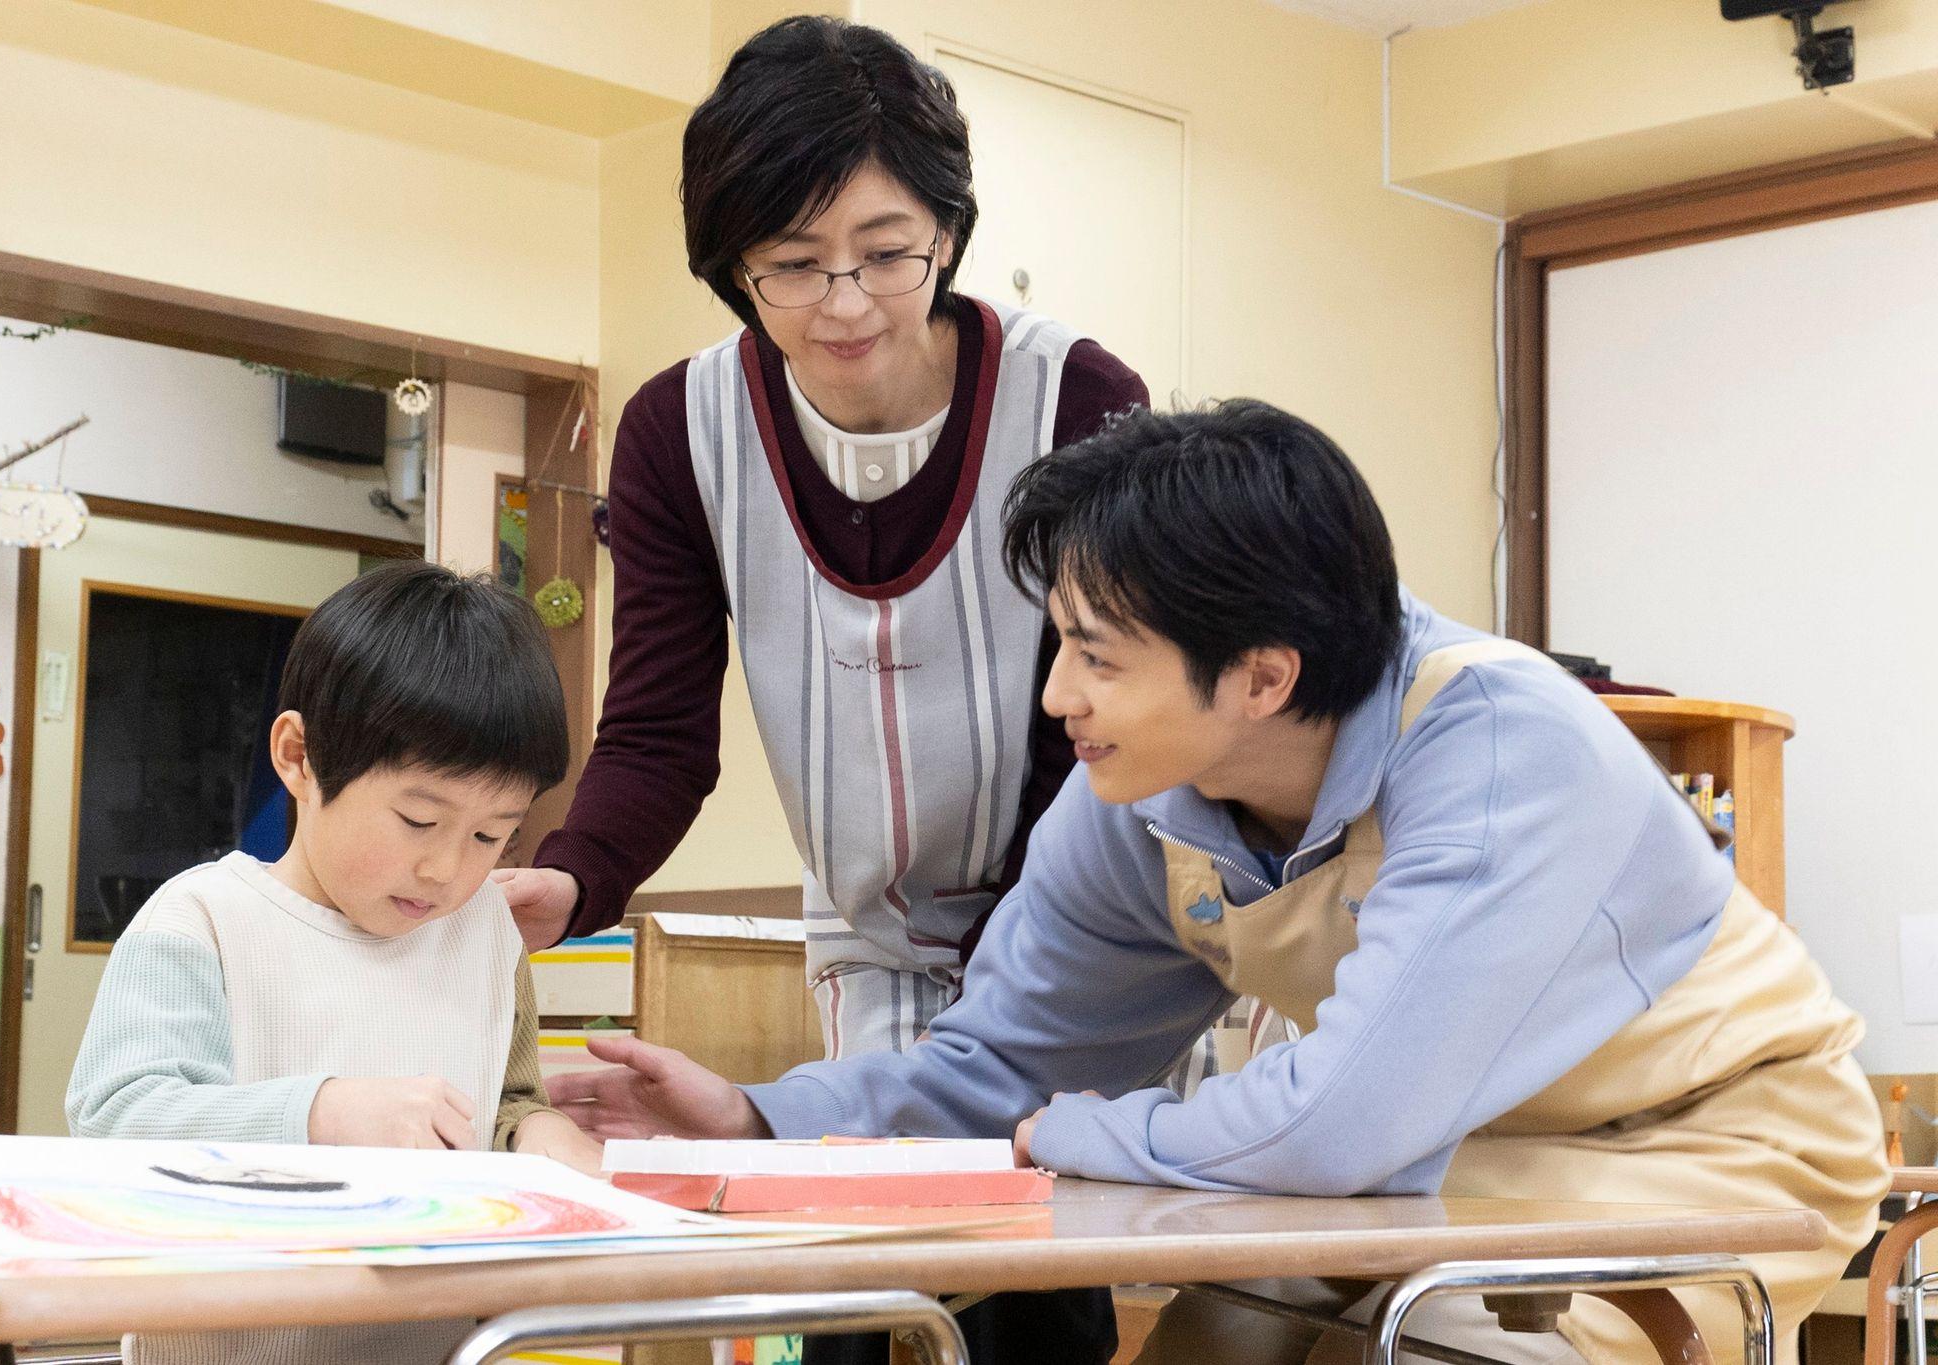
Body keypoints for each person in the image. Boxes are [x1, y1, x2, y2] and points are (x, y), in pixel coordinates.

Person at [555, 401, 1889, 1364]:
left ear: (1261, 676)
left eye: (1097, 655)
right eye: (1058, 644)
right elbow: (997, 1071)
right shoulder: (1134, 797)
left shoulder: (1500, 749)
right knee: (1220, 1338)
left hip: (1710, 1145)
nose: (1059, 696)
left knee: (1468, 1350)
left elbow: (1337, 1126)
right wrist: (751, 1117)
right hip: (1438, 1161)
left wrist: (1084, 1135)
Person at [493, 16, 1151, 1363]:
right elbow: (661, 730)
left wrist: (1033, 963)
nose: (844, 303)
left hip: (1074, 924)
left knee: (1038, 1294)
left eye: (885, 252)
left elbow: (1113, 721)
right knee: (847, 1298)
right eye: (792, 266)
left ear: (949, 233)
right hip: (867, 945)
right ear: (732, 266)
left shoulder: (1077, 398)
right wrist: (570, 881)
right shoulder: (682, 430)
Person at [68, 561, 599, 1365]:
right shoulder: (203, 920)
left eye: (493, 834)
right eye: (420, 819)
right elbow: (116, 1120)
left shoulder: (485, 932)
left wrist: (546, 1139)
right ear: (298, 756)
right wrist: (321, 1114)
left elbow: (507, 1105)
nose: (449, 869)